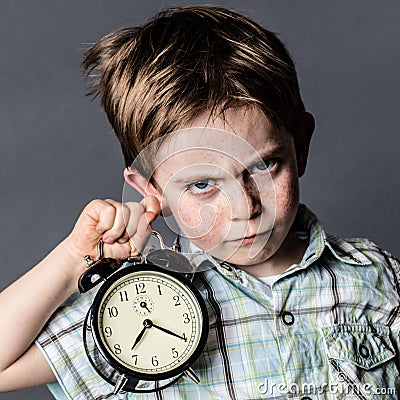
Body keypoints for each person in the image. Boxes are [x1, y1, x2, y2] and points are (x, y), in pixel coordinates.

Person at [0, 5, 399, 399]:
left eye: (265, 165)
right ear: (152, 191)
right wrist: (73, 259)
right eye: (203, 184)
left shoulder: (378, 278)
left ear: (301, 146)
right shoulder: (137, 305)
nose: (245, 206)